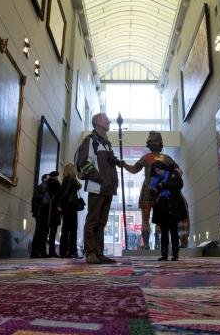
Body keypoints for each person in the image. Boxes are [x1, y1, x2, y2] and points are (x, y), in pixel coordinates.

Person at [75, 113, 121, 264]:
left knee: (102, 222)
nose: (109, 120)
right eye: (105, 118)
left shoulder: (106, 144)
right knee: (93, 220)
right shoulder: (90, 141)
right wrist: (102, 180)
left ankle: (99, 253)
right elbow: (84, 164)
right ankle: (90, 253)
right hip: (97, 188)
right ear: (97, 123)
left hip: (107, 188)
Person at [120, 131, 178, 250]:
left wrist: (171, 181)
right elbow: (135, 169)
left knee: (160, 219)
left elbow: (178, 172)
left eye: (155, 141)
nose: (153, 143)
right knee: (145, 218)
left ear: (160, 143)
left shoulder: (167, 159)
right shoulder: (146, 158)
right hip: (148, 189)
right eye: (151, 141)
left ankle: (159, 243)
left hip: (161, 190)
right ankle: (146, 244)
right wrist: (124, 164)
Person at [150, 161, 186, 261]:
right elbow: (152, 194)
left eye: (159, 170)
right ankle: (164, 254)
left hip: (173, 206)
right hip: (161, 207)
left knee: (174, 230)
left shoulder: (173, 174)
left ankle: (175, 254)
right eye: (156, 171)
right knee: (164, 232)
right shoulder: (155, 180)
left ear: (163, 168)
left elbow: (179, 185)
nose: (158, 172)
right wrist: (153, 190)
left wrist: (164, 185)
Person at [59, 162, 82, 258]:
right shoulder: (70, 179)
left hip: (68, 206)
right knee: (71, 230)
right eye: (73, 168)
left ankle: (64, 251)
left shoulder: (67, 179)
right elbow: (65, 194)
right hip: (70, 206)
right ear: (71, 169)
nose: (75, 170)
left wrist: (61, 206)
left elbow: (64, 194)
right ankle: (71, 251)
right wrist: (61, 206)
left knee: (66, 229)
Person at [43, 171, 62, 257]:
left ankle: (43, 251)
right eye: (57, 176)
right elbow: (59, 197)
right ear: (55, 176)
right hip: (54, 211)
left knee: (46, 232)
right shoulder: (56, 184)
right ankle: (51, 251)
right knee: (53, 232)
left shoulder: (46, 184)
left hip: (47, 211)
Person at [30, 173, 48, 258]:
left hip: (43, 212)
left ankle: (41, 251)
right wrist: (35, 211)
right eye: (48, 178)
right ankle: (35, 252)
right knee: (39, 232)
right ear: (44, 179)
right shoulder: (40, 187)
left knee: (43, 233)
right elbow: (34, 199)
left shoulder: (46, 188)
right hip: (40, 212)